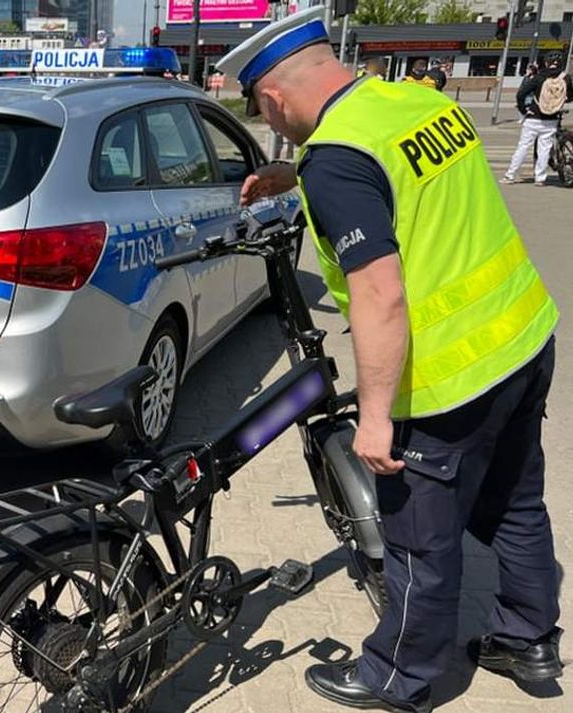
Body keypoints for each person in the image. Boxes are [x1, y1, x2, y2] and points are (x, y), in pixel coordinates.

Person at [218, 6, 562, 712]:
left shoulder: (338, 160)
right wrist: (297, 176)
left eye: (263, 111)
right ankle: (529, 640)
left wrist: (374, 416)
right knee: (515, 502)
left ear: (275, 98)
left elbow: (380, 296)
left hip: (449, 376)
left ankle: (399, 676)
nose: (271, 126)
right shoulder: (413, 102)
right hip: (523, 338)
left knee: (419, 537)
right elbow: (397, 174)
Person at [503, 51, 572, 186]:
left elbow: (521, 94)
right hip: (552, 119)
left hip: (533, 118)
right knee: (544, 149)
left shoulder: (539, 77)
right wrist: (558, 102)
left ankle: (510, 175)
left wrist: (524, 110)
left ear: (546, 62)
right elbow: (571, 95)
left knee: (523, 146)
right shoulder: (565, 78)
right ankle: (540, 178)